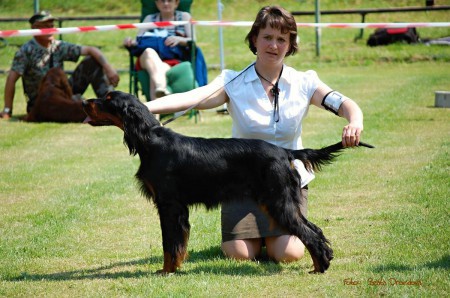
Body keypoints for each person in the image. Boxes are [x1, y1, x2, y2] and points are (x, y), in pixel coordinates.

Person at [145, 6, 364, 263]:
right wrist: (143, 108)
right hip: (239, 182)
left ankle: (276, 236)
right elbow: (191, 97)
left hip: (283, 179)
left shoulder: (305, 82)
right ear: (254, 40)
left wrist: (355, 121)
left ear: (291, 44)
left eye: (282, 39)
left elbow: (344, 103)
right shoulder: (233, 81)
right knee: (239, 254)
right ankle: (255, 237)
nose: (274, 45)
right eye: (267, 37)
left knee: (287, 254)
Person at [0, 11, 119, 120]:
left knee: (91, 61)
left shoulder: (58, 46)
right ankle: (80, 105)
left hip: (62, 94)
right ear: (34, 28)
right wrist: (7, 110)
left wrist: (109, 68)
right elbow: (11, 79)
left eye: (52, 25)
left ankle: (110, 105)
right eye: (46, 26)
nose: (51, 29)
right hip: (41, 101)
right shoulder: (26, 51)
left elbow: (90, 50)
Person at [123, 0, 193, 101]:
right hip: (146, 58)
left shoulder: (184, 17)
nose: (166, 3)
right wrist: (130, 42)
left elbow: (192, 40)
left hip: (171, 60)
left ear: (177, 3)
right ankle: (161, 87)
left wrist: (179, 39)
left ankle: (155, 114)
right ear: (156, 3)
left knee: (156, 71)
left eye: (169, 0)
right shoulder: (149, 19)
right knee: (149, 52)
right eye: (162, 1)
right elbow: (138, 41)